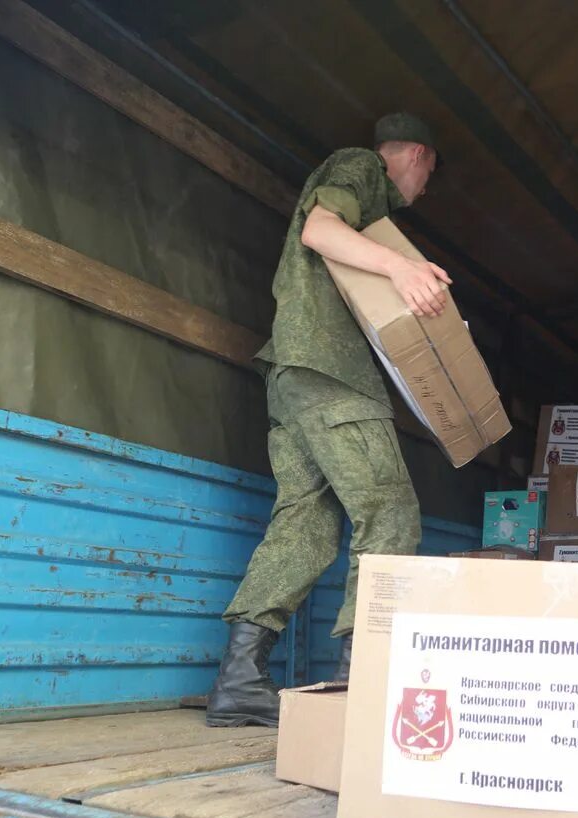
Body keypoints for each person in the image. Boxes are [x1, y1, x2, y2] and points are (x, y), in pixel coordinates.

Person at [206, 113, 448, 727]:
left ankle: (239, 681)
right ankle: (360, 681)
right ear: (417, 155)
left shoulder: (374, 217)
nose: (424, 189)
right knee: (390, 511)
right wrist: (401, 267)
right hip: (329, 371)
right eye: (428, 175)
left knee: (306, 526)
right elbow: (319, 228)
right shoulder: (361, 165)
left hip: (295, 376)